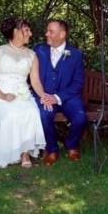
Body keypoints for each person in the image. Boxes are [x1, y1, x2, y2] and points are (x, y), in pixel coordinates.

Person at [0, 17, 50, 168]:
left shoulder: (31, 55)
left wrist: (43, 96)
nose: (30, 33)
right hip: (0, 92)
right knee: (11, 112)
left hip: (22, 93)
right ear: (15, 32)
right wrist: (3, 95)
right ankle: (10, 151)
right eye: (26, 30)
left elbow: (35, 81)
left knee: (31, 112)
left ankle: (25, 153)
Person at [34, 19, 87, 165]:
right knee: (44, 115)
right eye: (47, 30)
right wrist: (44, 95)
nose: (46, 34)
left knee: (80, 118)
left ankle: (71, 145)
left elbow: (77, 83)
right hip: (44, 95)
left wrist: (57, 97)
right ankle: (52, 149)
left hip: (68, 97)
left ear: (62, 34)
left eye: (51, 31)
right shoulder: (39, 50)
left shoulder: (75, 54)